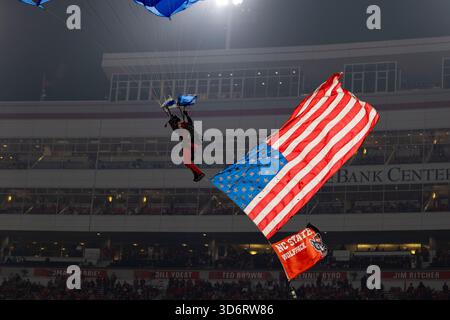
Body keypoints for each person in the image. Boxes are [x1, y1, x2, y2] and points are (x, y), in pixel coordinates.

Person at [165, 106, 205, 182]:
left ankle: (199, 173)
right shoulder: (184, 127)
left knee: (187, 161)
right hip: (190, 145)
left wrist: (185, 115)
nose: (179, 124)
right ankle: (196, 174)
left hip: (189, 144)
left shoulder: (186, 127)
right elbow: (178, 125)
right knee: (187, 163)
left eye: (180, 123)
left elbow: (187, 124)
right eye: (178, 124)